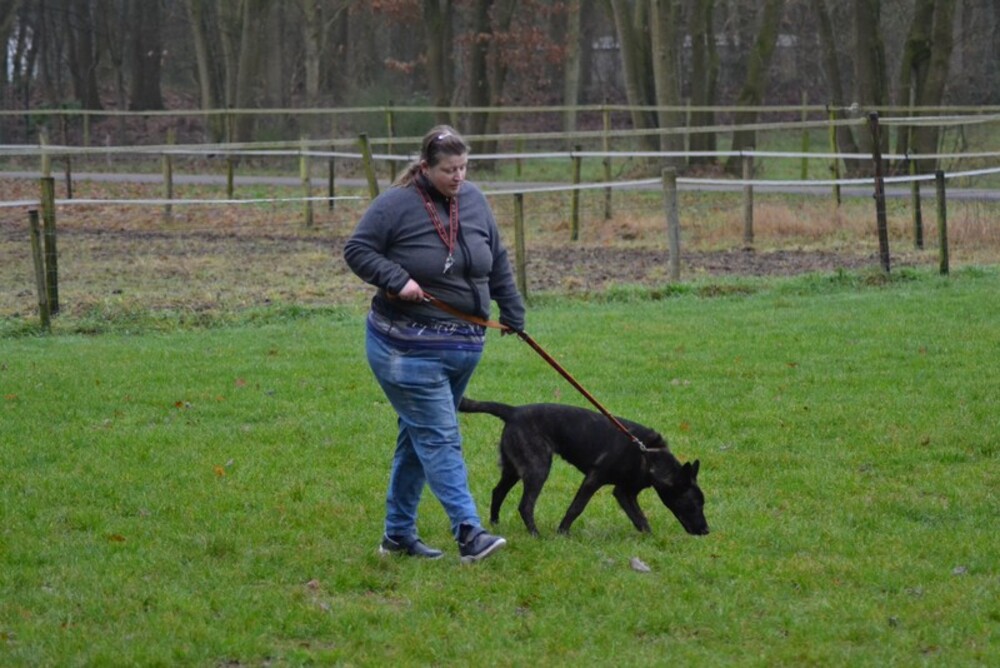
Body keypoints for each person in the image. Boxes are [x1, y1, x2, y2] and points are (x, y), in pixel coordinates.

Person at [343, 125, 526, 563]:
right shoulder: (396, 204)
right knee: (440, 438)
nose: (458, 177)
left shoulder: (474, 200)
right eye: (449, 170)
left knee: (417, 438)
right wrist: (396, 279)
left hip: (464, 345)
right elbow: (358, 250)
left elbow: (497, 258)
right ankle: (469, 533)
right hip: (405, 347)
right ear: (425, 167)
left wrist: (512, 309)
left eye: (464, 167)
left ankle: (397, 537)